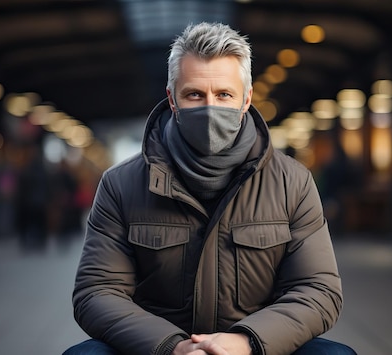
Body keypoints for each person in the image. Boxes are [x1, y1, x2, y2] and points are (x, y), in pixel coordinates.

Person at [64, 22, 355, 355]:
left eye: (224, 95)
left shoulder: (292, 183)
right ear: (172, 98)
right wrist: (172, 347)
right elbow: (97, 292)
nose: (209, 108)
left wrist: (246, 341)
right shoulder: (121, 185)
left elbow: (318, 289)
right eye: (195, 95)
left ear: (246, 100)